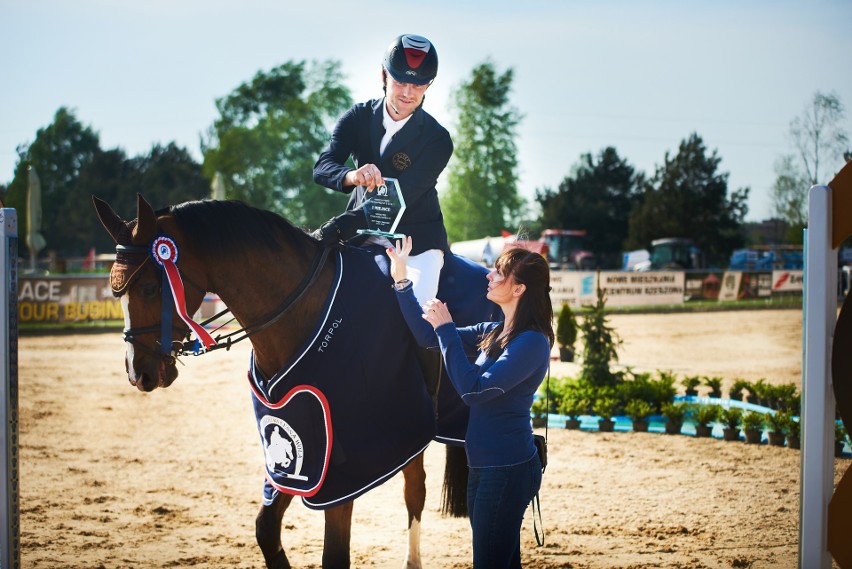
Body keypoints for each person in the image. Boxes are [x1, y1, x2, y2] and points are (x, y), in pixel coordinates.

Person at [388, 236, 553, 569]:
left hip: (506, 469)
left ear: (519, 289)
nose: (488, 277)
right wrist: (401, 279)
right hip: (485, 466)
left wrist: (447, 329)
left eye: (499, 273)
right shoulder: (496, 330)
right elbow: (426, 336)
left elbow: (474, 391)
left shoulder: (533, 341)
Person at [312, 34, 452, 302]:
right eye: (400, 82)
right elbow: (323, 167)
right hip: (360, 234)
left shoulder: (437, 139)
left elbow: (397, 199)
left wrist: (334, 229)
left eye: (418, 85)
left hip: (416, 242)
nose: (408, 93)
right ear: (384, 76)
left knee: (421, 312)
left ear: (429, 85)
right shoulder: (357, 117)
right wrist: (352, 175)